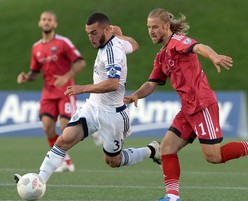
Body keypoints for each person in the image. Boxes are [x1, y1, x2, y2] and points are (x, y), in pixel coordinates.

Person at [124, 8, 248, 201]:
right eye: (149, 27)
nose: (151, 31)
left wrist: (214, 56)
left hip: (201, 105)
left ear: (167, 26)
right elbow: (152, 83)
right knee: (167, 147)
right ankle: (173, 198)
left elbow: (199, 47)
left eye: (155, 27)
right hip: (187, 110)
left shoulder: (178, 42)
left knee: (213, 156)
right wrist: (136, 95)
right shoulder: (162, 56)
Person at [15, 12, 161, 186]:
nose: (91, 38)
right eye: (88, 33)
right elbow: (134, 45)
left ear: (106, 30)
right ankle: (39, 181)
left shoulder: (112, 52)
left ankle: (152, 150)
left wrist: (82, 88)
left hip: (112, 115)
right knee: (63, 140)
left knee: (113, 161)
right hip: (92, 108)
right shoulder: (115, 41)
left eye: (94, 33)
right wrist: (119, 35)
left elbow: (113, 84)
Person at [17, 11, 86, 172]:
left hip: (65, 91)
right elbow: (34, 72)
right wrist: (26, 77)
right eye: (43, 19)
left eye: (49, 20)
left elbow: (80, 62)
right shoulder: (36, 47)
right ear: (39, 23)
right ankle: (65, 160)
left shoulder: (63, 42)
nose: (46, 22)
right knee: (47, 127)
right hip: (48, 93)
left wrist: (66, 76)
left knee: (65, 127)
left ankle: (88, 129)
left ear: (55, 24)